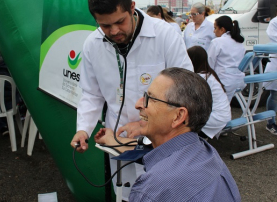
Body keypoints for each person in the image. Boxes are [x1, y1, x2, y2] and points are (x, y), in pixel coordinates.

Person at [70, 0, 193, 201]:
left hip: (163, 137)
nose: (114, 31)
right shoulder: (92, 45)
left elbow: (187, 89)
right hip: (120, 140)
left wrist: (145, 123)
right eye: (105, 25)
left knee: (165, 193)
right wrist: (83, 130)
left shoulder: (165, 35)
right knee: (127, 193)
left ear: (132, 8)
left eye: (120, 21)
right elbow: (91, 93)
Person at [95, 67, 241, 201]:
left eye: (150, 98)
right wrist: (113, 139)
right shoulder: (209, 156)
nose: (138, 104)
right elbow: (150, 151)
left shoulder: (153, 189)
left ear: (178, 116)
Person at [187, 46, 231, 139]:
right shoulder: (208, 74)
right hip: (223, 114)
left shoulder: (200, 78)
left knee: (183, 123)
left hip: (216, 118)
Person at [207, 15, 246, 102]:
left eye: (215, 28)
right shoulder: (239, 42)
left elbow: (209, 64)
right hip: (239, 81)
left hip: (223, 82)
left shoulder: (217, 42)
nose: (214, 31)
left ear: (222, 29)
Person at [263, 16, 277, 135]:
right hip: (275, 63)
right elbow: (273, 37)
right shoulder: (274, 22)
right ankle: (271, 123)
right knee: (274, 95)